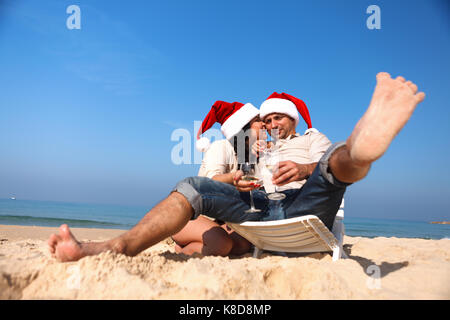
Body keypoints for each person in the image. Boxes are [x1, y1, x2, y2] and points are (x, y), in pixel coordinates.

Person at [48, 72, 426, 262]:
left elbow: (322, 168)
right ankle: (111, 246)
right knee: (195, 185)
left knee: (333, 165)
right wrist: (250, 163)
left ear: (294, 120)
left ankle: (361, 149)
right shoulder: (253, 148)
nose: (273, 123)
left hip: (303, 206)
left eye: (279, 118)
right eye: (268, 118)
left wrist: (305, 167)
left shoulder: (312, 137)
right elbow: (230, 176)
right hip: (260, 210)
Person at [172, 100, 263, 256]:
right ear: (244, 127)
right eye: (258, 120)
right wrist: (234, 177)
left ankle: (194, 244)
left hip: (220, 220)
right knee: (222, 244)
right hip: (192, 215)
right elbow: (211, 181)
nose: (264, 124)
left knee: (243, 245)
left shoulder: (254, 156)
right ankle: (182, 249)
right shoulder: (220, 146)